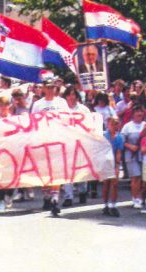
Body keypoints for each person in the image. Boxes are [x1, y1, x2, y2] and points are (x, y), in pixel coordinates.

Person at [30, 79, 67, 216]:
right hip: (43, 140)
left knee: (57, 169)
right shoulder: (38, 104)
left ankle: (55, 198)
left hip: (58, 139)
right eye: (48, 87)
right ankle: (46, 196)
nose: (51, 89)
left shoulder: (61, 103)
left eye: (53, 87)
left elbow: (68, 119)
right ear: (44, 88)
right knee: (44, 170)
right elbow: (33, 122)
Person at [61, 85, 90, 205]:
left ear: (77, 96)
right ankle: (68, 196)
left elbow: (90, 125)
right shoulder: (61, 110)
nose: (71, 97)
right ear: (66, 96)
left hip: (81, 143)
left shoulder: (84, 109)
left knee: (82, 168)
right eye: (69, 94)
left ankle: (83, 191)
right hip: (67, 143)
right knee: (67, 170)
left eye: (73, 94)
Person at [0, 96, 15, 213]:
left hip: (11, 152)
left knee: (11, 176)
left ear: (9, 106)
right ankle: (0, 201)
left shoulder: (14, 120)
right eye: (1, 105)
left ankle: (9, 195)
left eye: (5, 105)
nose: (3, 107)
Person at [121, 105, 146, 209]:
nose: (139, 114)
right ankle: (135, 198)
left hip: (144, 154)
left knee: (144, 179)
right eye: (137, 112)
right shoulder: (127, 126)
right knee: (136, 177)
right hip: (131, 155)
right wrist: (130, 146)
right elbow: (122, 141)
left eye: (141, 112)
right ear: (133, 114)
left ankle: (141, 197)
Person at [102, 117, 123, 217]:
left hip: (114, 162)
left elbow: (119, 152)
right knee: (106, 184)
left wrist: (117, 165)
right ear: (109, 125)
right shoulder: (103, 136)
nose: (115, 126)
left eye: (117, 124)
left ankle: (113, 206)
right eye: (113, 124)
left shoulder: (119, 137)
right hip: (105, 162)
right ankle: (105, 205)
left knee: (114, 184)